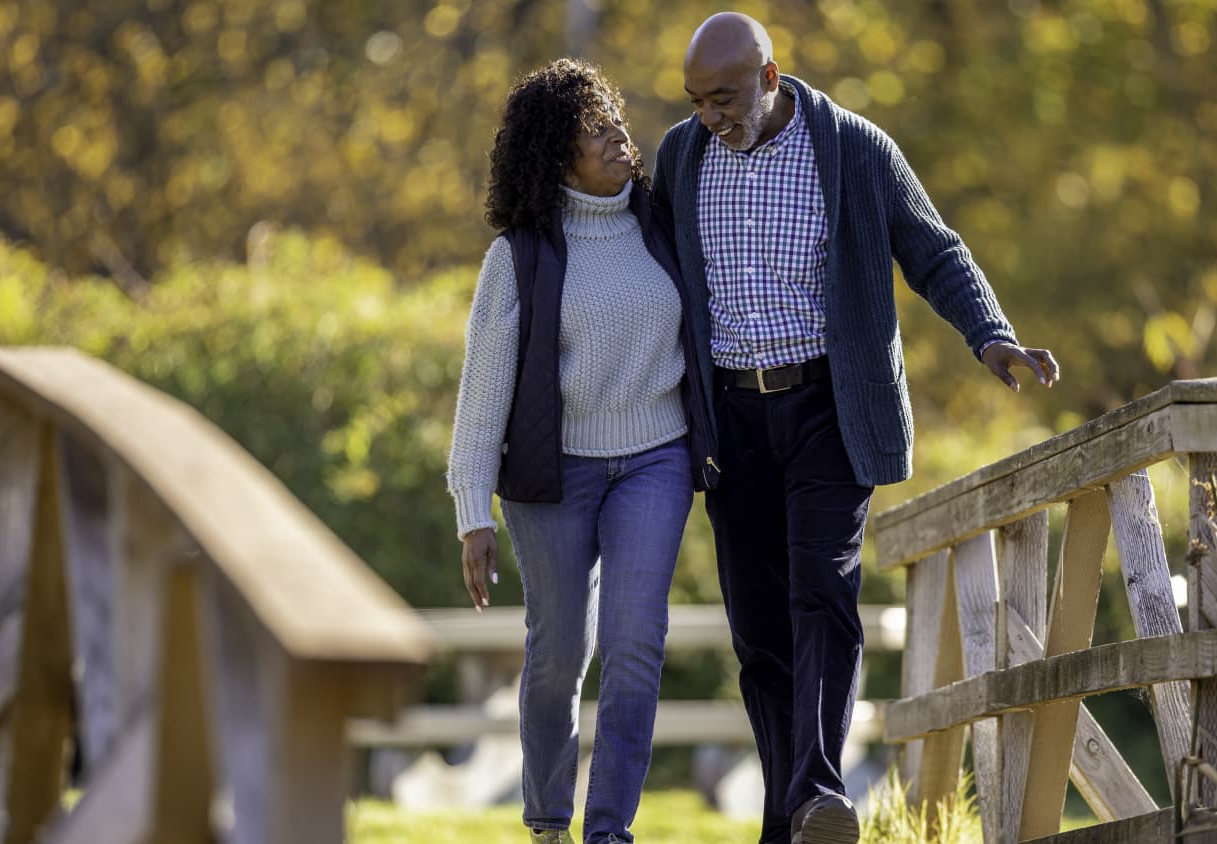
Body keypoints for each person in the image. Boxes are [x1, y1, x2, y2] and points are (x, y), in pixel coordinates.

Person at [651, 13, 1060, 844]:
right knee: (759, 632)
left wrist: (992, 335)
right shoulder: (681, 156)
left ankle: (819, 790)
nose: (709, 118)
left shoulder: (854, 149)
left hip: (830, 408)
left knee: (822, 594)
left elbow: (934, 249)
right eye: (696, 102)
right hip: (730, 419)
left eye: (724, 99)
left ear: (770, 78)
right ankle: (791, 815)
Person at [447, 58, 718, 844]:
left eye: (614, 122)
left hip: (656, 460)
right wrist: (474, 513)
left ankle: (609, 830)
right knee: (560, 653)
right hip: (554, 474)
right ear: (554, 156)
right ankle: (547, 823)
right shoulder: (521, 257)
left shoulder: (660, 223)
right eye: (593, 131)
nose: (617, 139)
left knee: (635, 641)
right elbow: (483, 394)